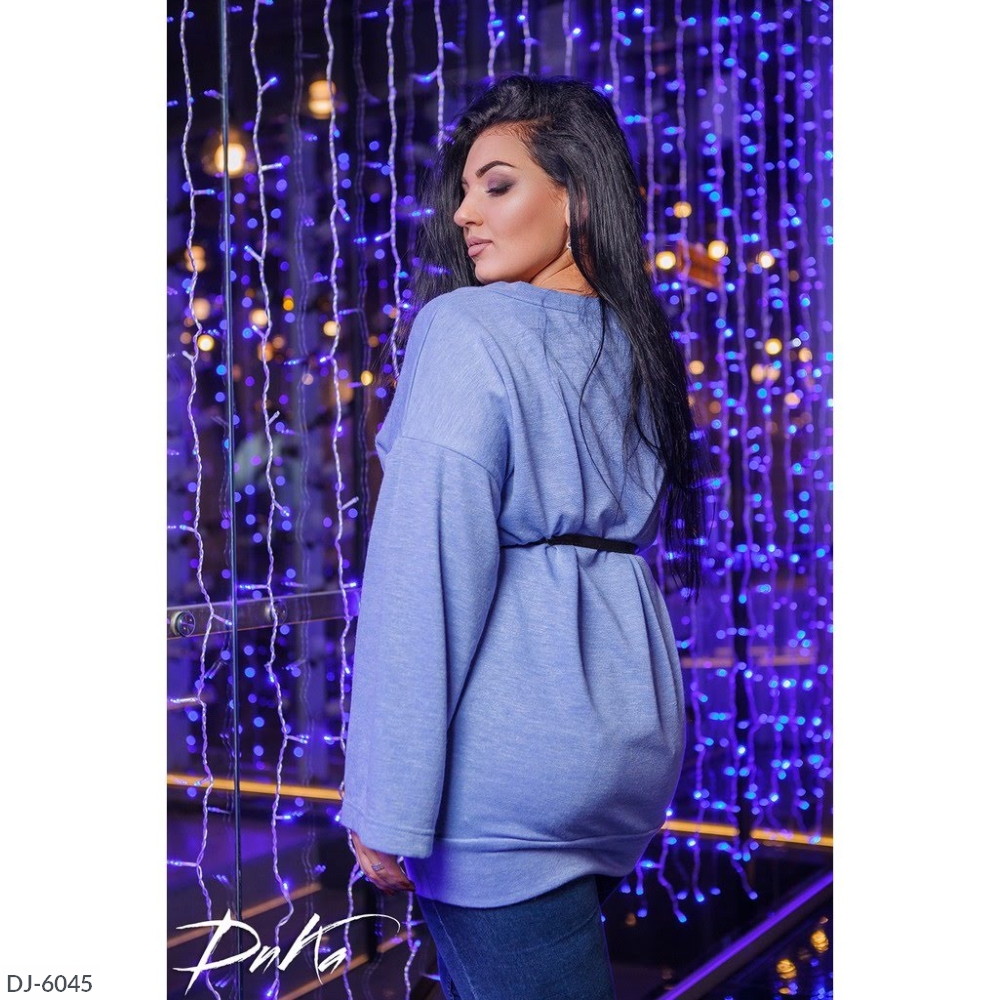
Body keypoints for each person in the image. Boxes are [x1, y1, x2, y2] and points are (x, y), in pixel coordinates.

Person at [338, 74, 706, 1000]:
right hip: (624, 744)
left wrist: (383, 800)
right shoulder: (636, 342)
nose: (465, 212)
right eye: (464, 190)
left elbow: (425, 571)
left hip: (509, 767)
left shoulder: (465, 327)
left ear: (575, 196)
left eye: (496, 185)